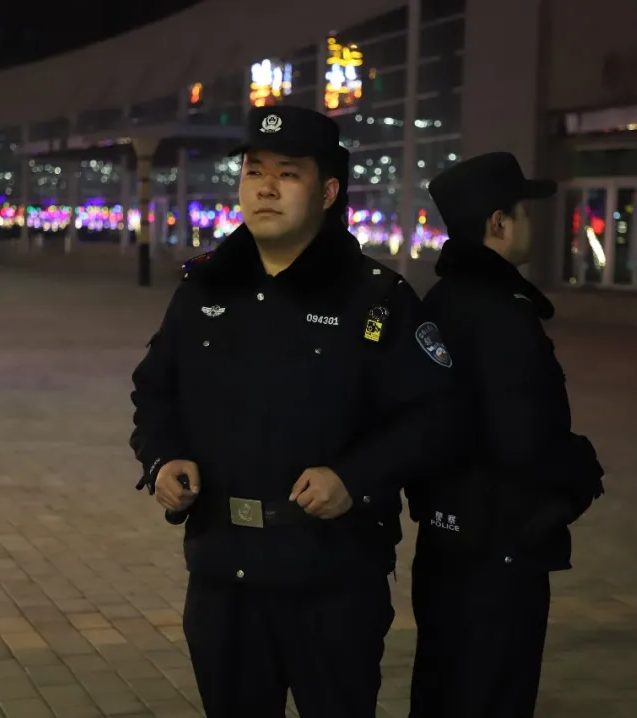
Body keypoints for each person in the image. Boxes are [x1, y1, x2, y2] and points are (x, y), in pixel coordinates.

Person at [128, 105, 460, 718]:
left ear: (327, 192)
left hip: (332, 578)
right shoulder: (204, 289)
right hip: (224, 573)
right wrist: (163, 457)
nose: (266, 188)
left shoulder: (375, 299)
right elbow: (155, 391)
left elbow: (434, 416)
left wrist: (355, 478)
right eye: (254, 172)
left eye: (288, 174)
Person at [407, 152, 605, 718]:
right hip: (500, 548)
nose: (531, 225)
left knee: (441, 686)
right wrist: (581, 470)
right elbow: (524, 438)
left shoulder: (440, 301)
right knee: (493, 693)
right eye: (525, 212)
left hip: (446, 539)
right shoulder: (501, 312)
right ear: (498, 222)